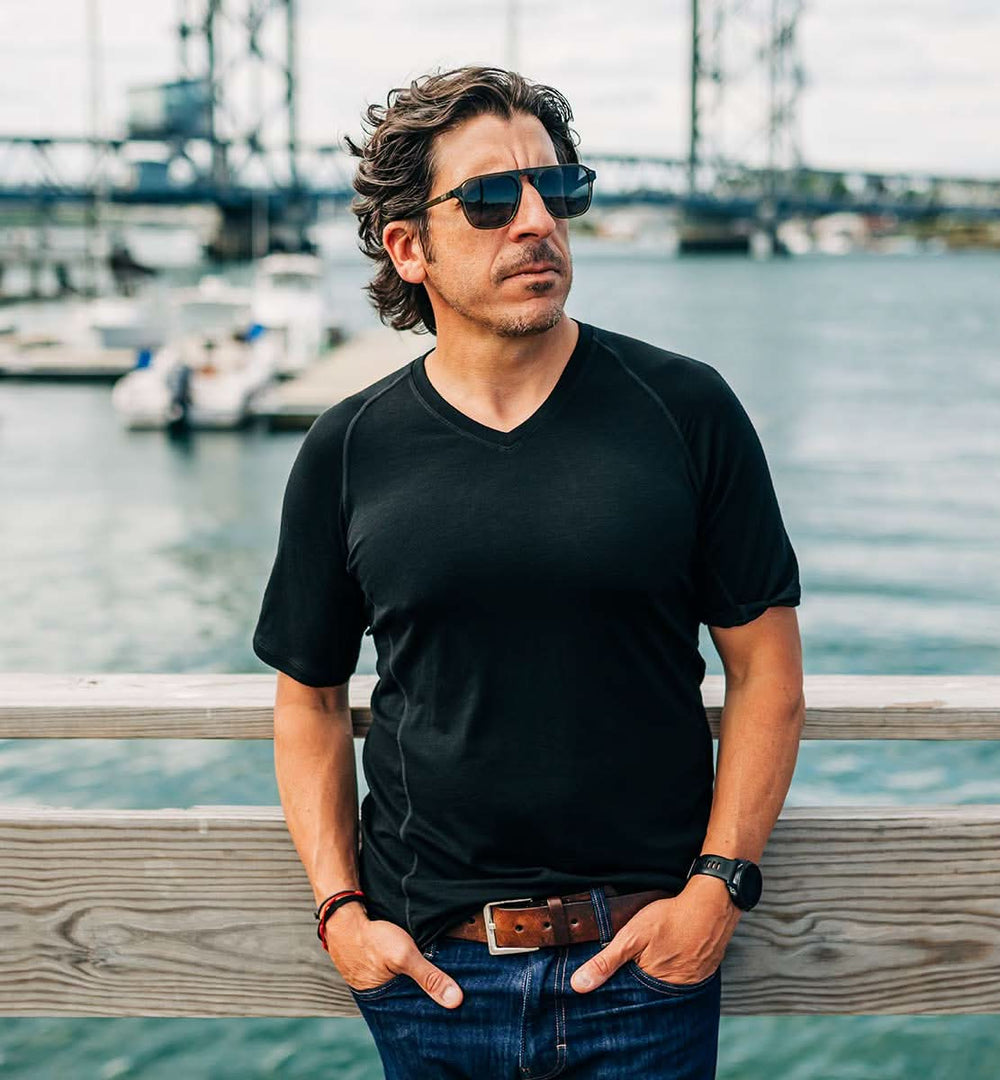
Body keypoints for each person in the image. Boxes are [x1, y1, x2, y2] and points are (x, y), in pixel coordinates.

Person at [252, 65, 805, 1079]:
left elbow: (767, 672)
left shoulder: (687, 410)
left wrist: (718, 889)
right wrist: (339, 915)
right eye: (493, 200)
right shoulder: (346, 448)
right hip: (434, 980)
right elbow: (310, 700)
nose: (537, 223)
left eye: (560, 190)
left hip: (644, 967)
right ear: (407, 246)